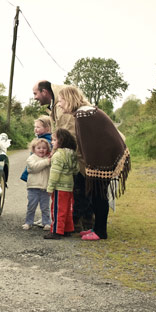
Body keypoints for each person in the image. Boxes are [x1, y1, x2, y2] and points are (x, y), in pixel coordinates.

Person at [57, 85, 131, 241]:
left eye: (61, 100)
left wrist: (91, 168)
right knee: (97, 193)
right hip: (108, 155)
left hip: (106, 157)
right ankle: (96, 228)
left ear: (69, 99)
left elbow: (89, 144)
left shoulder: (84, 115)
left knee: (99, 193)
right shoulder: (84, 112)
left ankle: (100, 232)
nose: (59, 104)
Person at [33, 80, 94, 232]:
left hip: (78, 154)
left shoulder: (61, 105)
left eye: (35, 94)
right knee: (80, 187)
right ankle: (79, 221)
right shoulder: (56, 103)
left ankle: (82, 221)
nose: (34, 97)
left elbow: (69, 133)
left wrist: (60, 152)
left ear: (45, 92)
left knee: (80, 187)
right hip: (75, 153)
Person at [45, 128, 79, 240]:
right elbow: (76, 170)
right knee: (67, 209)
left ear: (61, 141)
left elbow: (55, 174)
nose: (52, 142)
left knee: (57, 209)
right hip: (69, 186)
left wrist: (50, 188)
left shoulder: (58, 155)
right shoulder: (72, 154)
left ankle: (56, 231)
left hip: (59, 187)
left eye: (54, 140)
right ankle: (67, 229)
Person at [22, 138, 52, 231]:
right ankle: (28, 222)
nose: (41, 150)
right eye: (39, 148)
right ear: (34, 149)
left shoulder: (48, 158)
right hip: (33, 187)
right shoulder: (31, 158)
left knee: (45, 207)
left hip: (45, 187)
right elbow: (34, 167)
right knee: (31, 206)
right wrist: (47, 162)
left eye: (44, 148)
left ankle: (46, 222)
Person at [20, 115, 52, 182]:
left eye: (38, 127)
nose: (35, 129)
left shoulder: (46, 141)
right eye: (35, 127)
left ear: (47, 128)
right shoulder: (39, 139)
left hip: (40, 171)